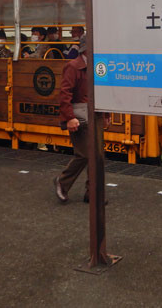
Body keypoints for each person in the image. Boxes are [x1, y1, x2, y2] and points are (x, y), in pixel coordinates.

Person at [54, 35, 110, 203]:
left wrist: (107, 115)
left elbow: (104, 90)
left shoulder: (98, 65)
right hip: (80, 116)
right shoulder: (72, 66)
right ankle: (62, 182)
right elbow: (64, 94)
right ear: (87, 48)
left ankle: (92, 193)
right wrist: (69, 118)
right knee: (85, 154)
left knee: (97, 156)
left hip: (95, 115)